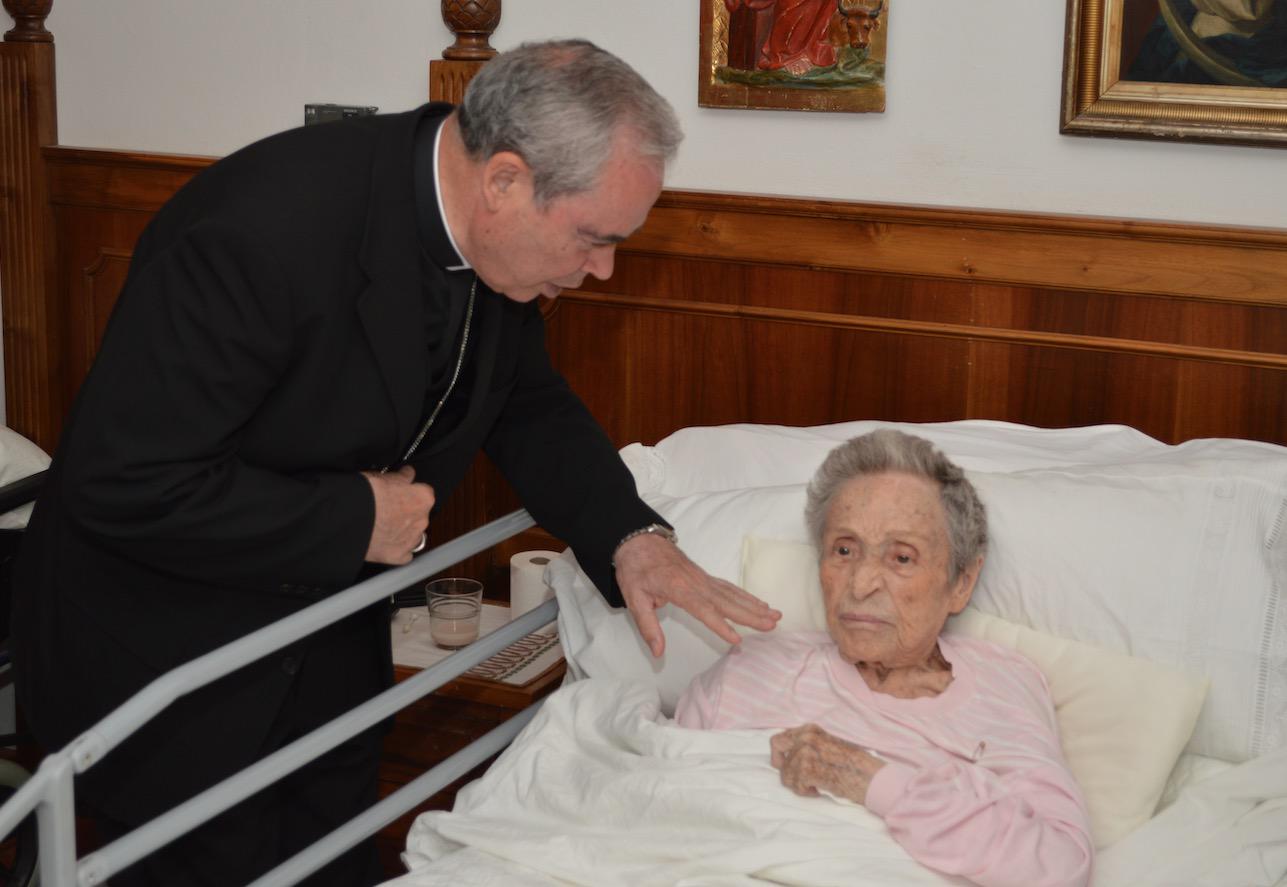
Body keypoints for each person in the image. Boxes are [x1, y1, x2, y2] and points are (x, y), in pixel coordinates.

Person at [12, 39, 779, 886]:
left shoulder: (489, 243)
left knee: (333, 860)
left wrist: (630, 534)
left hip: (325, 645)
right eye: (594, 238)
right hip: (170, 660)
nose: (602, 269)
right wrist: (354, 518)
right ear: (505, 182)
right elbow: (123, 484)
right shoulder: (256, 236)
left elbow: (524, 403)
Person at [675, 430, 1093, 887]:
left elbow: (1060, 866)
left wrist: (870, 781)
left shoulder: (1002, 686)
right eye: (844, 550)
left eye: (901, 558)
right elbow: (657, 801)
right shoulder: (750, 670)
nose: (860, 584)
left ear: (961, 583)